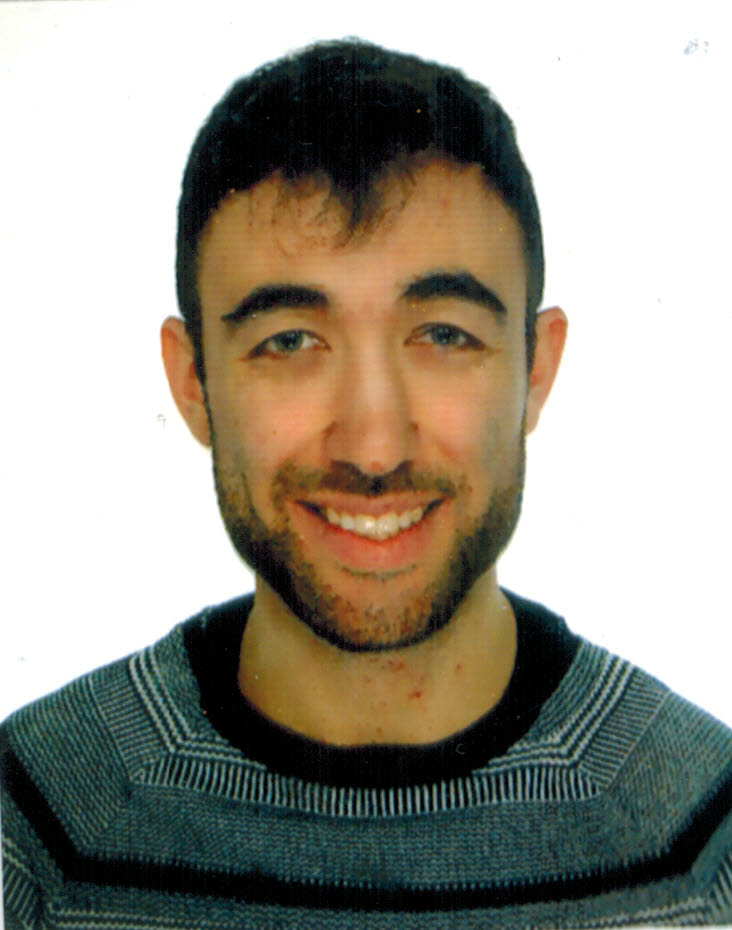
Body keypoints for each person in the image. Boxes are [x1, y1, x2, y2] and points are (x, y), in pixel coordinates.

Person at [2, 39, 730, 929]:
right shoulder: (33, 838)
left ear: (536, 371)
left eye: (445, 335)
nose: (375, 446)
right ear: (192, 384)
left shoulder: (705, 842)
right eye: (289, 342)